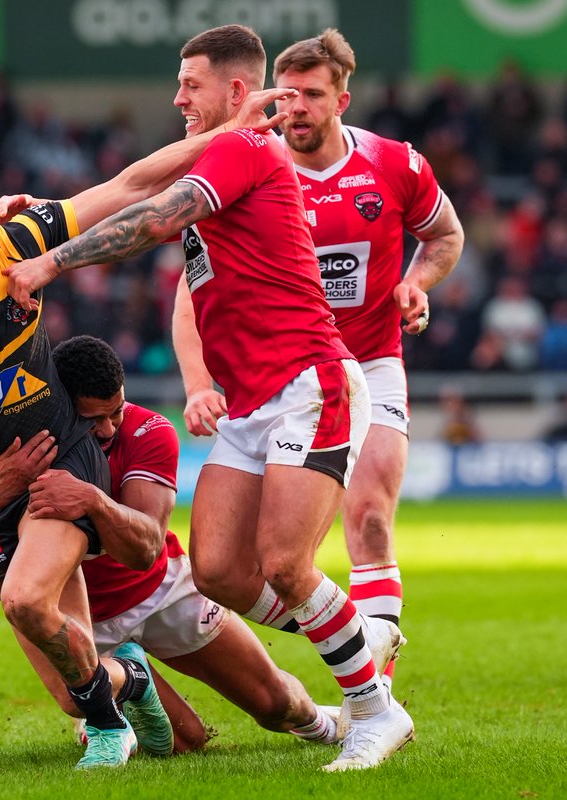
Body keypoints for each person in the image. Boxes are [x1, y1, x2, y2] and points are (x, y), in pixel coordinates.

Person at [0, 94, 287, 770]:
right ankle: (123, 692)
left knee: (25, 598)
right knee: (70, 671)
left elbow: (128, 184)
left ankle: (108, 734)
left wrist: (227, 133)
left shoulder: (18, 240)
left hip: (60, 464)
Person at [6, 24, 412, 771]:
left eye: (189, 84)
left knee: (286, 564)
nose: (176, 97)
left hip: (309, 381)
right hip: (253, 399)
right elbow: (133, 196)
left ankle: (373, 711)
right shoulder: (229, 154)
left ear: (232, 90)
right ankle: (357, 629)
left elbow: (154, 216)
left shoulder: (244, 148)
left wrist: (49, 263)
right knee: (221, 570)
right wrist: (44, 212)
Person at [175, 29, 465, 692]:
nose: (297, 107)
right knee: (240, 565)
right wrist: (196, 382)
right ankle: (359, 641)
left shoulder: (395, 165)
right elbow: (191, 291)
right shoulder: (249, 165)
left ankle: (375, 696)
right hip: (278, 377)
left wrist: (418, 282)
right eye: (288, 93)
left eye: (312, 94)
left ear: (342, 100)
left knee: (367, 516)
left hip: (367, 360)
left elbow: (445, 235)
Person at [0, 334, 342, 755]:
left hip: (159, 591)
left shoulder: (149, 431)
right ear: (59, 405)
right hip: (79, 619)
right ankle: (128, 677)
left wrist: (93, 500)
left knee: (274, 704)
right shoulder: (13, 443)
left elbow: (145, 550)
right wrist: (2, 486)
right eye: (92, 419)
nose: (107, 429)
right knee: (181, 741)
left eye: (115, 411)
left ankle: (328, 726)